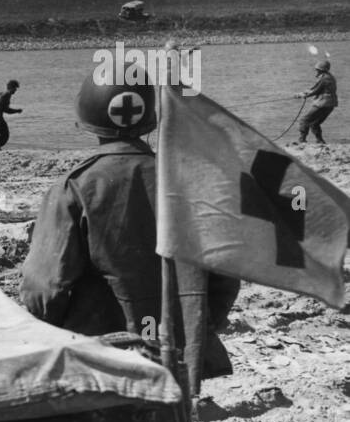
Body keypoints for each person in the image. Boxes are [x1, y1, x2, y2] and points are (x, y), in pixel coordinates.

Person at [20, 72, 238, 393]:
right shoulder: (188, 180)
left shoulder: (75, 187)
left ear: (87, 117)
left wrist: (54, 333)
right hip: (179, 348)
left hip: (102, 353)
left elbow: (45, 288)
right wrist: (201, 327)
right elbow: (224, 275)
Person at [296, 55, 337, 145]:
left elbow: (315, 91)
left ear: (321, 70)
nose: (316, 71)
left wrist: (304, 95)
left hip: (323, 103)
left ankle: (302, 140)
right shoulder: (329, 77)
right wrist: (302, 93)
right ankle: (320, 141)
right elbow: (315, 88)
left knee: (304, 120)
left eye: (317, 69)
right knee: (315, 123)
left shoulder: (324, 79)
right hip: (330, 104)